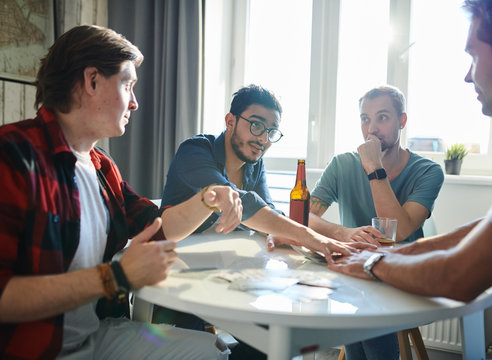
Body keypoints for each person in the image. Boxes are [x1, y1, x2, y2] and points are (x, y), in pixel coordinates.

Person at [0, 25, 243, 360]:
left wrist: (208, 199)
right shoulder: (13, 154)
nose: (135, 103)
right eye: (128, 84)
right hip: (35, 348)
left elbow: (158, 227)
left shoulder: (102, 167)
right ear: (92, 81)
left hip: (97, 334)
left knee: (212, 350)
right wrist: (116, 277)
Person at [327, 1, 492, 359]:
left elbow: (456, 277)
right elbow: (482, 229)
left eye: (473, 56)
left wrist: (370, 263)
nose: (468, 76)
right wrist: (388, 252)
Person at [309, 85, 444, 359]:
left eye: (382, 117)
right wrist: (343, 232)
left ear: (402, 121)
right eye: (365, 119)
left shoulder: (428, 172)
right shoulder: (342, 165)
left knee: (367, 310)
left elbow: (400, 229)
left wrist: (373, 167)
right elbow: (303, 218)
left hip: (400, 279)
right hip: (354, 275)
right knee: (356, 305)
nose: (371, 129)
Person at [162, 84, 369, 258]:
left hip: (223, 264)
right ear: (230, 121)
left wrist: (276, 232)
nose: (263, 139)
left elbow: (266, 207)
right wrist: (310, 237)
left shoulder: (254, 164)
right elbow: (241, 200)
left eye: (271, 132)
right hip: (173, 265)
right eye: (256, 125)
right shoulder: (195, 151)